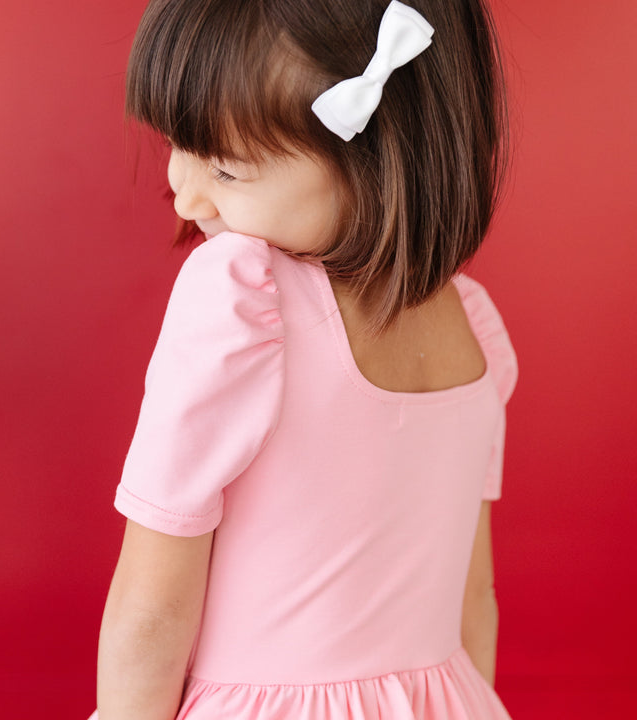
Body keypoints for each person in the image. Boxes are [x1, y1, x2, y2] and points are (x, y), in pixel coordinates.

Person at [90, 0, 519, 718]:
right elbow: (475, 601)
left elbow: (153, 611)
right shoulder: (473, 323)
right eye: (176, 144)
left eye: (227, 171)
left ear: (378, 159)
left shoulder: (236, 300)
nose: (185, 192)